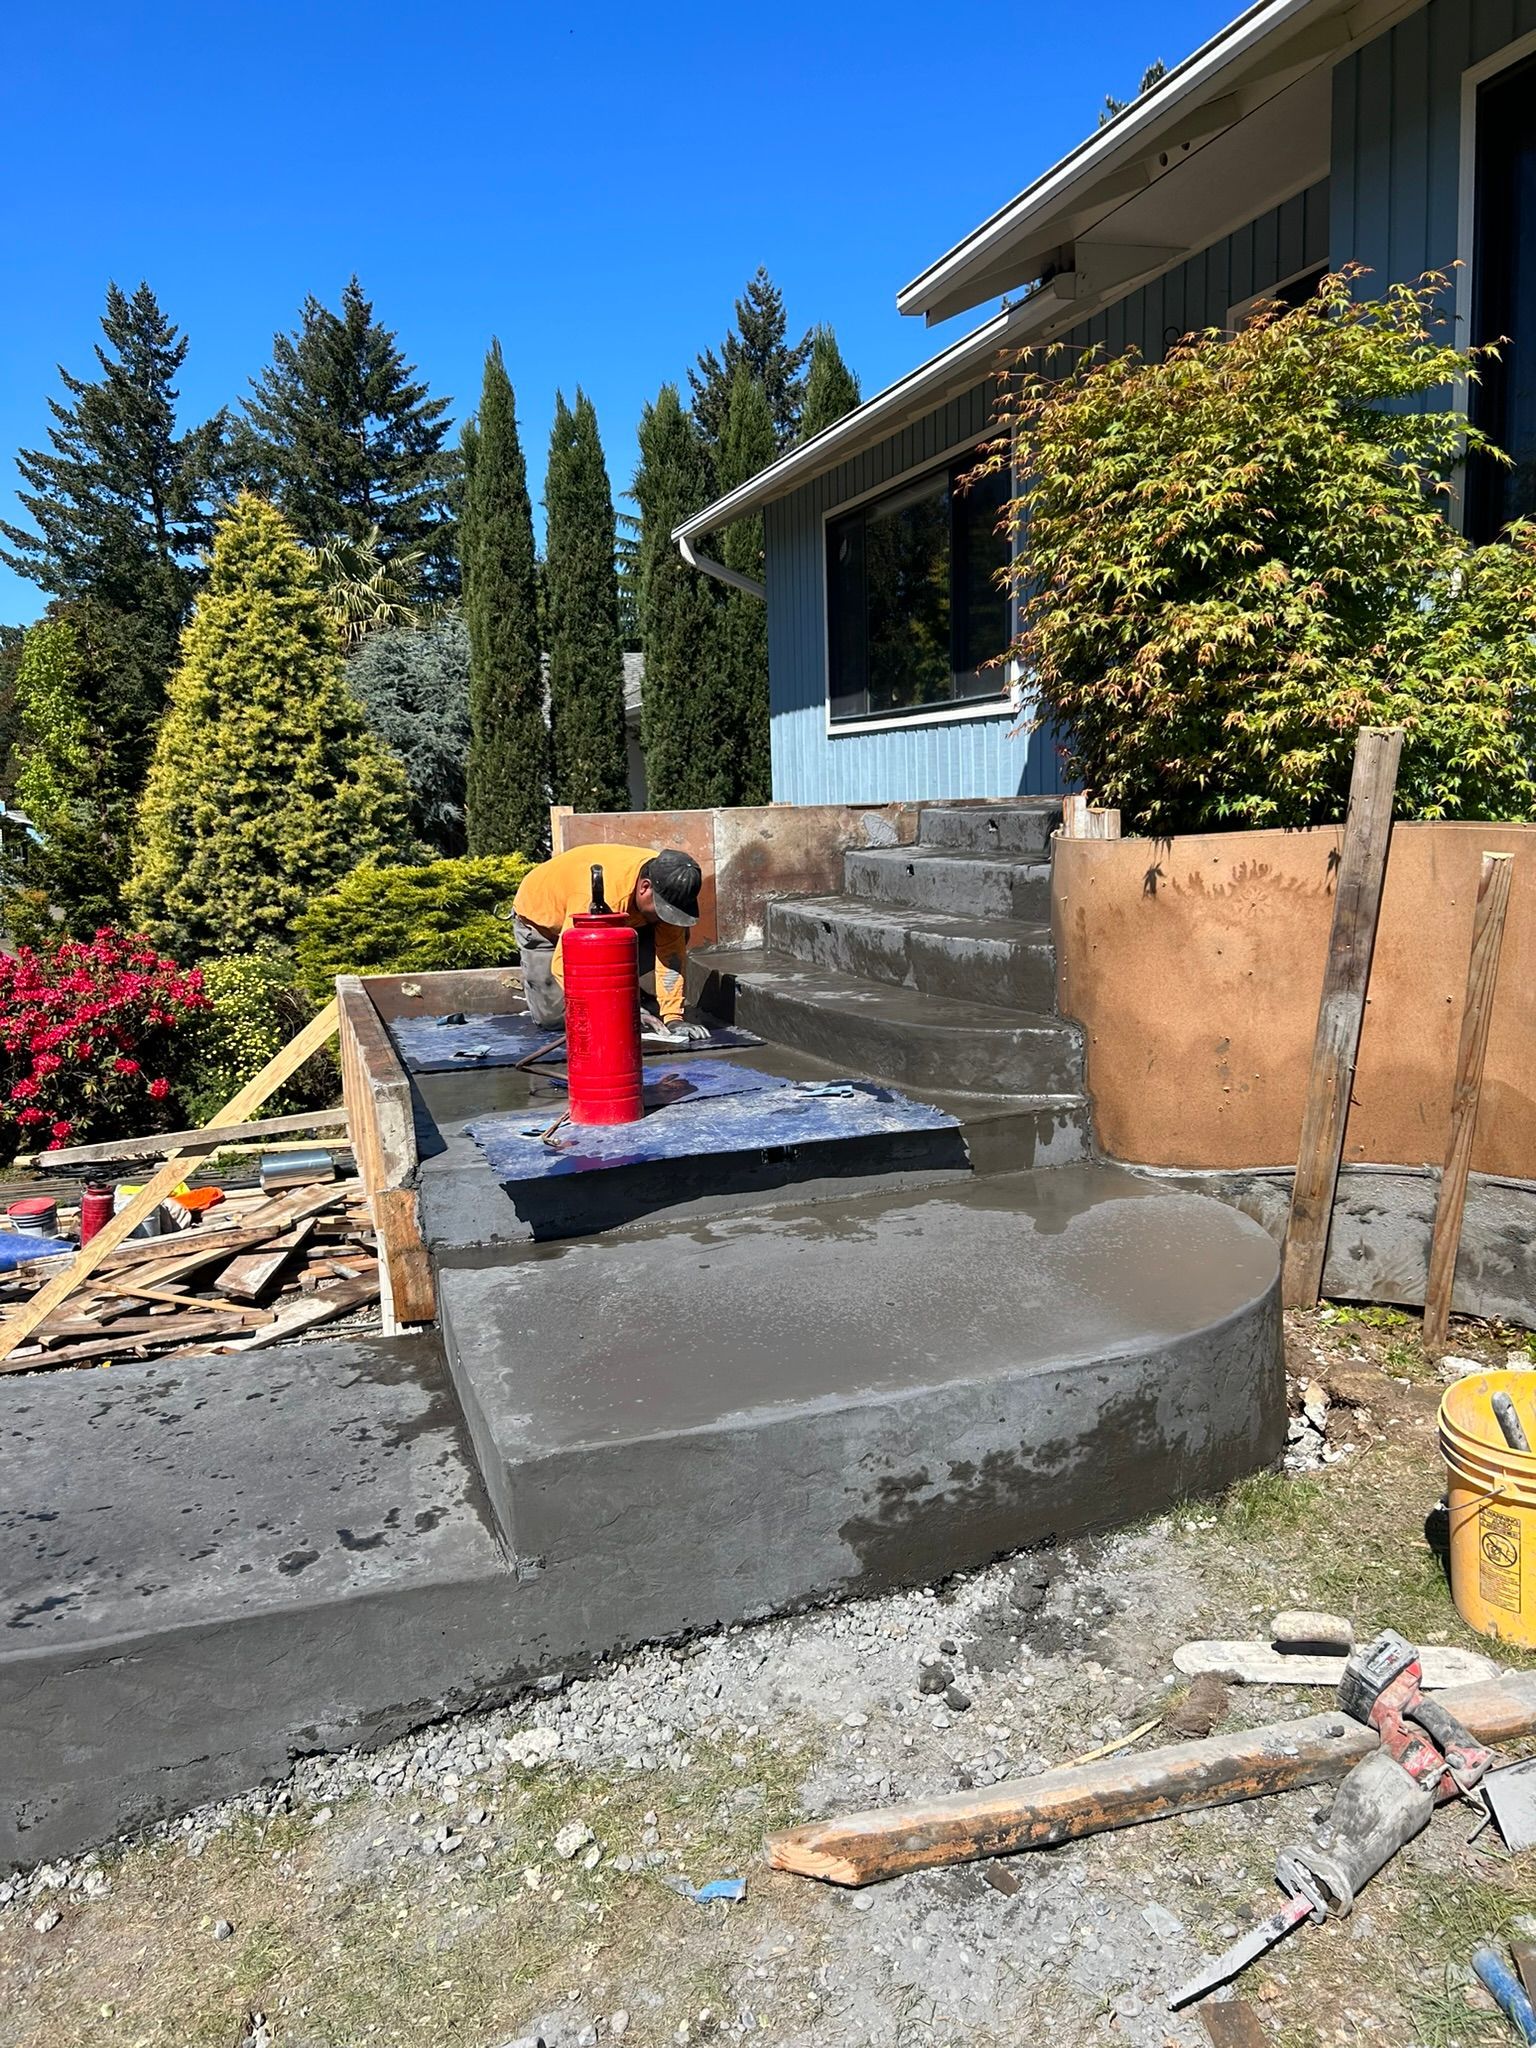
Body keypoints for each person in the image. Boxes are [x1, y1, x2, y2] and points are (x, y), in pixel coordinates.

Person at [511, 843, 712, 1039]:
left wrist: (673, 1018)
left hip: (618, 921)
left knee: (676, 933)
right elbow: (565, 965)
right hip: (541, 924)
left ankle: (628, 994)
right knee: (555, 1019)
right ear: (645, 887)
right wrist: (618, 1009)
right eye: (663, 911)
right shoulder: (598, 895)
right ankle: (622, 996)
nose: (666, 918)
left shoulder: (668, 885)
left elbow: (671, 959)